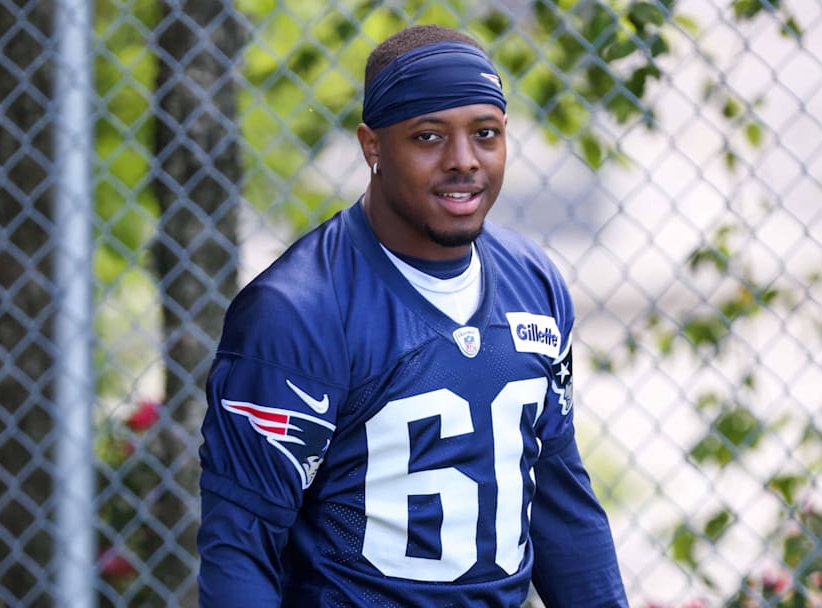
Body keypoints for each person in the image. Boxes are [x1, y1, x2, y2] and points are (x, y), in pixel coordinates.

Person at [197, 24, 629, 607]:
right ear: (373, 146)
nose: (463, 161)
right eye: (428, 136)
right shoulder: (296, 312)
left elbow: (559, 501)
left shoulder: (533, 283)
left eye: (485, 134)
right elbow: (241, 549)